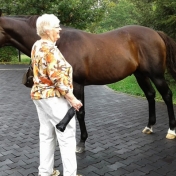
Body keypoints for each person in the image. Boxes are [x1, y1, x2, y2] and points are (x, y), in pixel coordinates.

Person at [30, 14, 83, 176]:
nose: (60, 29)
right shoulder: (50, 50)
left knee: (46, 134)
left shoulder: (37, 45)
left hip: (40, 96)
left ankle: (44, 172)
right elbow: (57, 78)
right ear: (47, 30)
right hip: (54, 98)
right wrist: (73, 99)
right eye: (57, 26)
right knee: (67, 137)